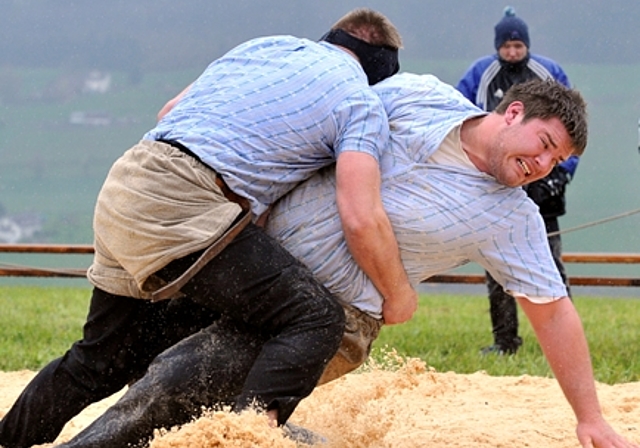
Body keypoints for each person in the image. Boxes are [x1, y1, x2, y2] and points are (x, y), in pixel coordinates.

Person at [55, 75, 638, 448]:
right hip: (246, 261)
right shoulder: (418, 96)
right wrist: (204, 100)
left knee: (171, 387)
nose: (544, 166)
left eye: (557, 161)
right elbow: (326, 107)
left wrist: (589, 417)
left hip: (334, 317)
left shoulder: (513, 219)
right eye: (544, 145)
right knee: (123, 359)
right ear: (513, 113)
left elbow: (553, 311)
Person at [0, 8, 419, 448]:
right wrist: (397, 294)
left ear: (331, 41)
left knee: (98, 360)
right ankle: (240, 437)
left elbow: (169, 111)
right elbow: (359, 213)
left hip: (129, 180)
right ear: (379, 78)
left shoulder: (264, 47)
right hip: (187, 199)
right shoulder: (360, 100)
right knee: (315, 317)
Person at [456, 5, 579, 355]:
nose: (512, 52)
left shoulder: (549, 73)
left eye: (518, 47)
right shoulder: (480, 74)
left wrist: (563, 175)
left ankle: (561, 343)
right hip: (496, 183)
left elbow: (572, 131)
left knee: (550, 261)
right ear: (498, 46)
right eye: (506, 47)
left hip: (544, 184)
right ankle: (505, 340)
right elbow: (462, 119)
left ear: (527, 45)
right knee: (497, 264)